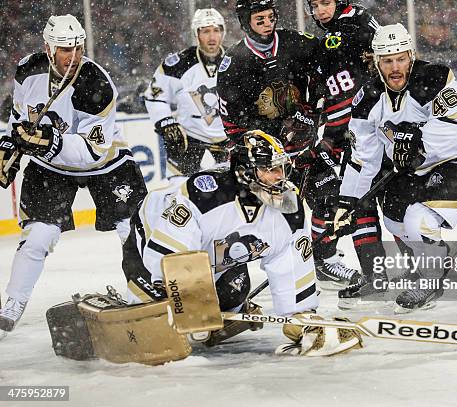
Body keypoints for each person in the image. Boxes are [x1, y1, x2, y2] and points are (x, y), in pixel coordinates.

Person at [121, 130, 362, 356]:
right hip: (151, 242)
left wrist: (301, 318)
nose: (280, 177)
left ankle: (219, 305)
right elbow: (170, 253)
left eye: (282, 168)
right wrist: (182, 301)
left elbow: (289, 261)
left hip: (217, 260)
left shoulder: (289, 208)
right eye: (269, 169)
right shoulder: (205, 195)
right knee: (159, 316)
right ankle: (150, 305)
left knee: (232, 296)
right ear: (246, 171)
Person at [0, 15, 147, 338]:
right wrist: (10, 144)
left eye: (78, 48)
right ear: (48, 48)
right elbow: (19, 116)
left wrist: (48, 141)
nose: (73, 56)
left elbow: (90, 152)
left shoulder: (96, 83)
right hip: (50, 166)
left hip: (105, 163)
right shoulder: (28, 69)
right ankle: (13, 303)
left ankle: (146, 295)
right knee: (38, 236)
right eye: (65, 50)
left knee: (132, 229)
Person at [335, 24, 457, 311]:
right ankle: (438, 257)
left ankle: (431, 280)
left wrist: (419, 144)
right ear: (375, 62)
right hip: (417, 166)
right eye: (387, 60)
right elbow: (363, 157)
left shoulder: (433, 79)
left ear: (412, 55)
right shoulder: (367, 99)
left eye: (401, 58)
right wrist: (348, 201)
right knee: (394, 220)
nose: (395, 68)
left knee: (419, 222)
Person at [217, 0, 359, 289]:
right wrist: (265, 142)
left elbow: (329, 69)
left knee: (327, 192)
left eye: (271, 17)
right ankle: (232, 276)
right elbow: (232, 124)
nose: (268, 24)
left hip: (305, 147)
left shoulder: (296, 41)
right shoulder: (234, 63)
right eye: (260, 20)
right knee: (267, 220)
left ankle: (324, 257)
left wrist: (315, 105)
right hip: (266, 161)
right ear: (246, 23)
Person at [304, 0, 390, 290]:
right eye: (315, 5)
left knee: (390, 205)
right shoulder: (330, 40)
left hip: (374, 132)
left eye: (326, 3)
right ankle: (369, 274)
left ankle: (418, 270)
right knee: (352, 203)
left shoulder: (356, 21)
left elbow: (371, 52)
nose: (321, 11)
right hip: (348, 136)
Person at [144, 8, 229, 179]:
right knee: (177, 194)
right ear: (196, 34)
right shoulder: (177, 65)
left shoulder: (235, 60)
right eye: (206, 31)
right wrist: (166, 123)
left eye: (216, 30)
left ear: (223, 32)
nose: (212, 37)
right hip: (188, 141)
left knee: (233, 194)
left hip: (229, 140)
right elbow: (154, 96)